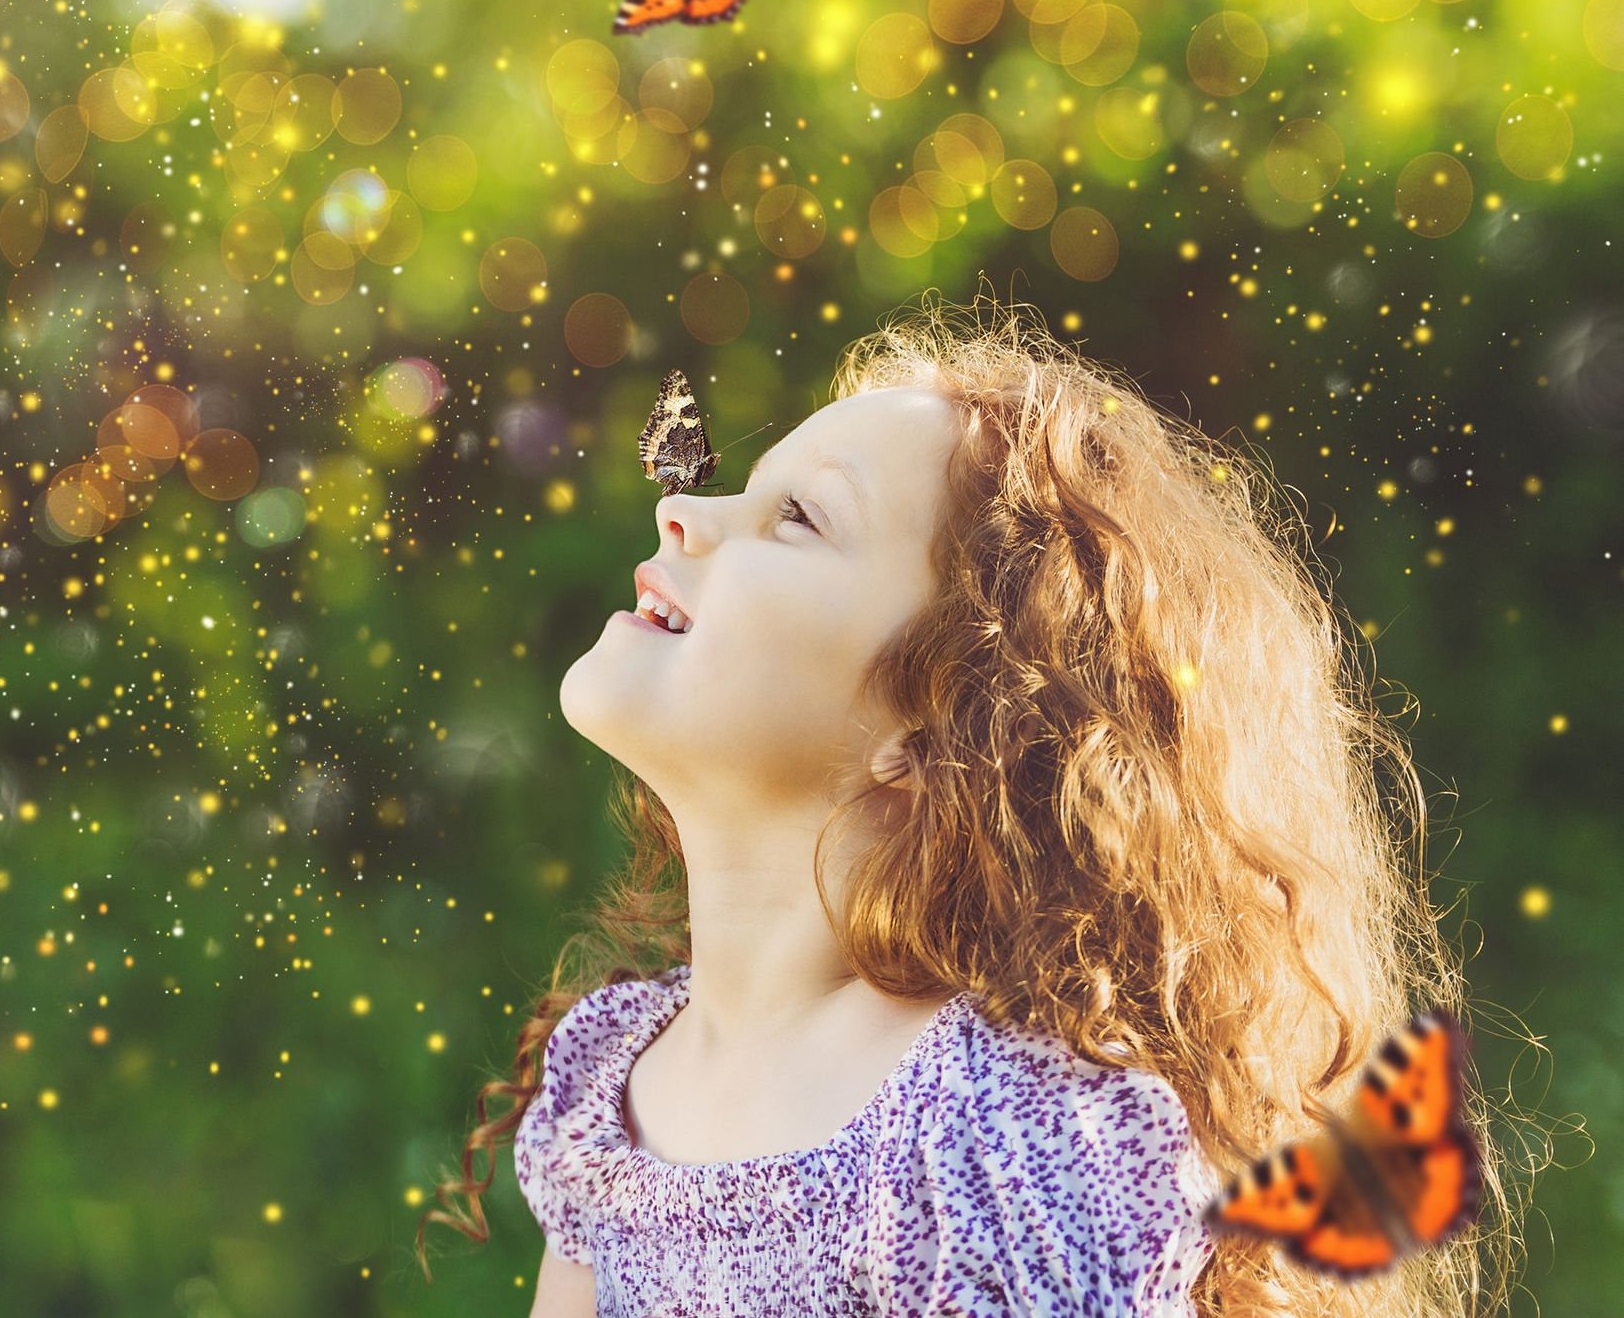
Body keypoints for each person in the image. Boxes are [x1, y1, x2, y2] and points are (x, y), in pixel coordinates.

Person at [415, 294, 1520, 1316]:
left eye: (795, 517)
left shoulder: (1007, 1134)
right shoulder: (607, 1080)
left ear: (945, 721)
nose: (682, 512)